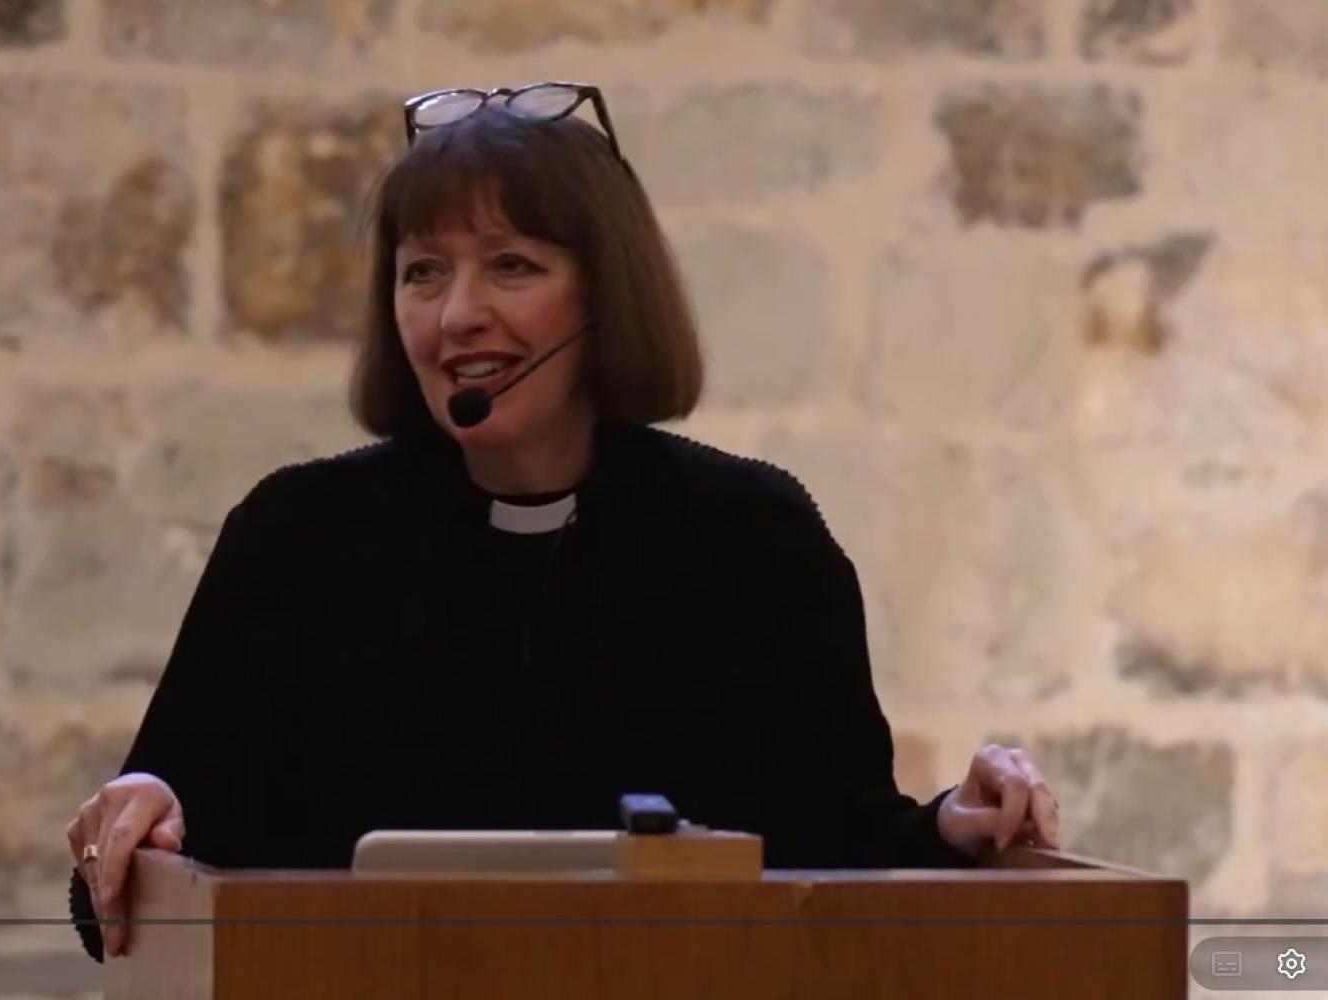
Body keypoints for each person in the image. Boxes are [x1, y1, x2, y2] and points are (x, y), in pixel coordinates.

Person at [65, 82, 1062, 962]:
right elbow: (120, 896)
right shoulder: (297, 538)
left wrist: (952, 826)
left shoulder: (753, 539)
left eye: (511, 265)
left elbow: (838, 854)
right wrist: (142, 828)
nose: (456, 316)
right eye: (422, 271)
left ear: (606, 296)